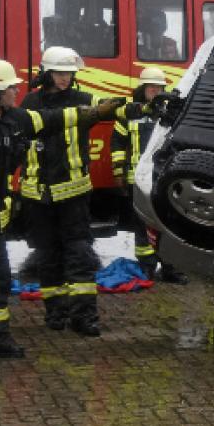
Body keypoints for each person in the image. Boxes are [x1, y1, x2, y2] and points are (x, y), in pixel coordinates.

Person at [0, 59, 132, 356]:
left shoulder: (13, 119)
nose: (16, 91)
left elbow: (53, 119)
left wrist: (93, 113)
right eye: (10, 88)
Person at [20, 46, 147, 336]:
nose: (65, 79)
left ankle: (84, 316)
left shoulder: (83, 99)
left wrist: (143, 107)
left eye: (69, 73)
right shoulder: (30, 101)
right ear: (47, 73)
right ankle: (55, 312)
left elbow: (115, 107)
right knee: (47, 255)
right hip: (37, 195)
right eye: (60, 73)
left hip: (73, 193)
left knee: (79, 253)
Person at [110, 67, 187, 284]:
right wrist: (118, 172)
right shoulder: (131, 113)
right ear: (143, 88)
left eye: (158, 87)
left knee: (169, 225)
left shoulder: (173, 114)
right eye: (150, 87)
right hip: (139, 179)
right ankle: (147, 267)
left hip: (163, 179)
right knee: (141, 225)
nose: (154, 91)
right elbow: (117, 143)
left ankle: (171, 267)